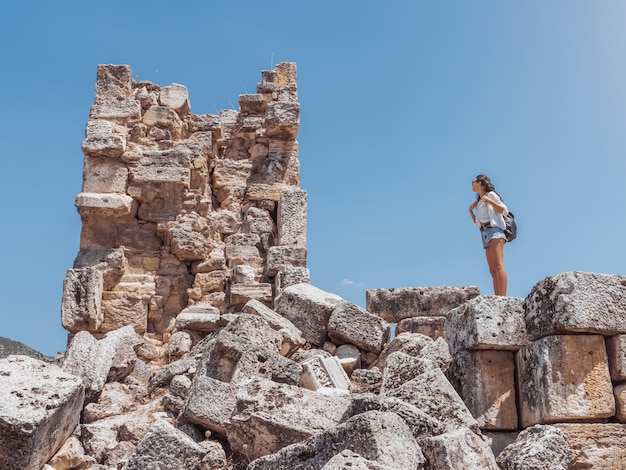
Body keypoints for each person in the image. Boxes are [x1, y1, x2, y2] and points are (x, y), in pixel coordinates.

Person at [468, 174, 508, 296]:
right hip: (485, 232)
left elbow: (504, 210)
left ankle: (502, 297)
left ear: (480, 183)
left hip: (494, 230)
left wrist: (489, 200)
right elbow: (478, 223)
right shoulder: (480, 201)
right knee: (492, 270)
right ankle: (497, 297)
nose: (472, 184)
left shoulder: (490, 195)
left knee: (498, 265)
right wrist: (471, 212)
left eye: (473, 181)